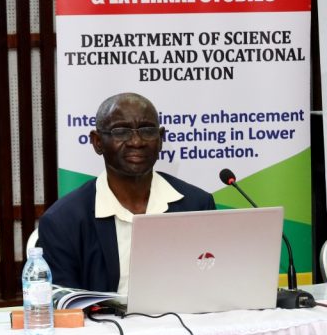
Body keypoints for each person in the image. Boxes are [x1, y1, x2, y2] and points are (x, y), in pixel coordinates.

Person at [37, 93, 216, 293]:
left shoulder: (197, 206)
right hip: (105, 323)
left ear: (161, 139)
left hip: (184, 321)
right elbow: (64, 304)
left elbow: (213, 282)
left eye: (147, 130)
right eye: (121, 131)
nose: (136, 142)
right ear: (97, 142)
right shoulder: (63, 221)